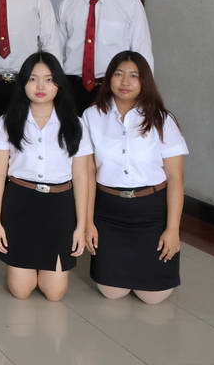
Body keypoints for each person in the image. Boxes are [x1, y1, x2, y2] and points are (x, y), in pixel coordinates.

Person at [83, 52, 187, 304]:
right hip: (109, 213)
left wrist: (173, 229)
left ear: (144, 81)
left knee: (154, 297)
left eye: (134, 76)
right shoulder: (91, 116)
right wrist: (88, 222)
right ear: (108, 79)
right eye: (118, 74)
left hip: (151, 213)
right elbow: (88, 173)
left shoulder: (162, 119)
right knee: (112, 292)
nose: (125, 82)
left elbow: (175, 178)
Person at [0, 52, 91, 301]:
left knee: (55, 293)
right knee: (21, 291)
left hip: (59, 206)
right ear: (23, 83)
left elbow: (81, 177)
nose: (41, 87)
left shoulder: (75, 124)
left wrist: (81, 226)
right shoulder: (7, 121)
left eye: (48, 79)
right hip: (20, 203)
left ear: (59, 84)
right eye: (33, 79)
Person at [59, 0, 154, 115]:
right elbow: (58, 50)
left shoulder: (130, 4)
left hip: (113, 87)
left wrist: (143, 93)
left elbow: (142, 51)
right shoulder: (67, 5)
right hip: (72, 88)